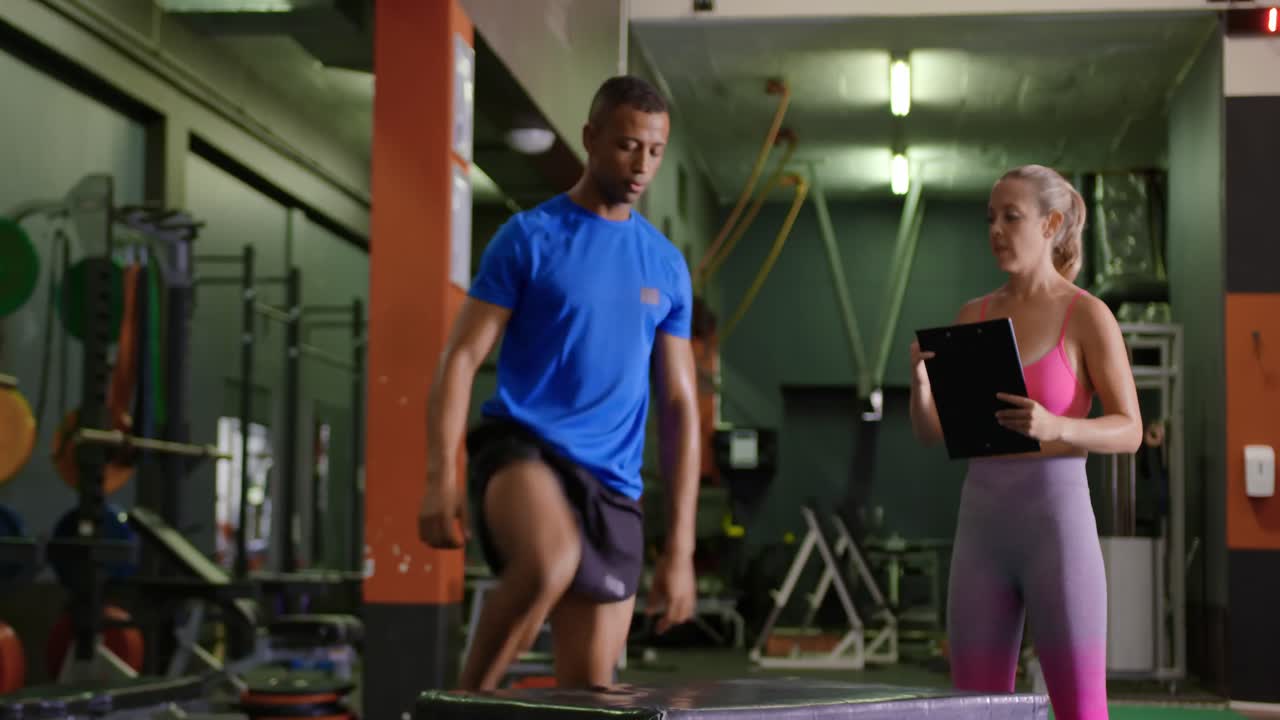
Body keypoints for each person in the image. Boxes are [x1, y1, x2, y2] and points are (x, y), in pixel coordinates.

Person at [417, 75, 700, 692]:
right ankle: (462, 704)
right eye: (627, 146)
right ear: (590, 138)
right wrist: (441, 477)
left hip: (614, 484)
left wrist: (680, 549)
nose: (642, 166)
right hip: (525, 450)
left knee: (590, 691)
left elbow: (680, 405)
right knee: (551, 560)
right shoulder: (529, 238)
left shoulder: (664, 265)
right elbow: (461, 357)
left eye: (655, 151)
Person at [908, 164, 1143, 720]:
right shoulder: (974, 315)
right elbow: (934, 433)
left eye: (1011, 217)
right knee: (973, 709)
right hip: (981, 531)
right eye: (990, 218)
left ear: (1050, 224)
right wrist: (921, 388)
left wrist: (1058, 427)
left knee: (1081, 709)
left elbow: (1131, 429)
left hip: (1056, 529)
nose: (995, 229)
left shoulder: (1086, 315)